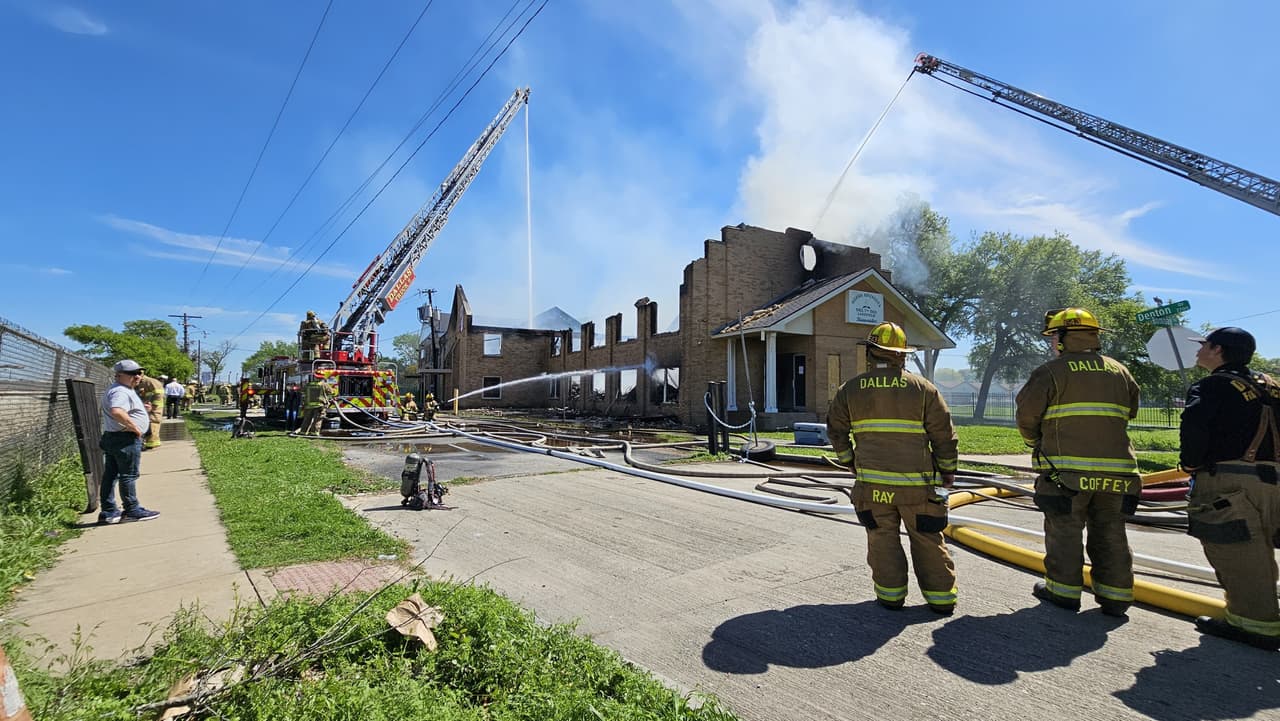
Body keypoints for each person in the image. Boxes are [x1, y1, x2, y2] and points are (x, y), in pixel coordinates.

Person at [827, 322, 960, 614]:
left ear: (871, 353)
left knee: (882, 538)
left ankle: (890, 596)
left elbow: (836, 432)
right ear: (902, 355)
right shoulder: (924, 389)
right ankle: (941, 599)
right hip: (919, 489)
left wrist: (849, 462)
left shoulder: (849, 390)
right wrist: (947, 471)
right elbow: (944, 435)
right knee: (927, 539)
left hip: (872, 489)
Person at [1016, 307, 1140, 617]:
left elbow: (1027, 415)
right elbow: (1131, 411)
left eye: (1052, 337)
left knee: (1065, 532)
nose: (1050, 343)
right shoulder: (1120, 371)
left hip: (1066, 474)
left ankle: (1064, 592)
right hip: (1118, 476)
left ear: (1061, 338)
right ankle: (1116, 598)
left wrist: (1035, 442)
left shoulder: (1052, 372)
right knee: (1111, 532)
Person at [1180, 326, 1280, 651]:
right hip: (1273, 481)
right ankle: (1252, 613)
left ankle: (1255, 624)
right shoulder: (1270, 387)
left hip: (1229, 481)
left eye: (1204, 345)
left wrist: (1190, 464)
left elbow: (1195, 428)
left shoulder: (1213, 386)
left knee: (1236, 549)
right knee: (1259, 548)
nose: (1198, 351)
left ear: (1218, 350)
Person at [98, 360, 159, 524]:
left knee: (110, 475)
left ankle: (108, 511)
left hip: (113, 437)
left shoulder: (120, 390)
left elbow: (121, 410)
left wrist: (142, 411)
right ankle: (131, 509)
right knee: (128, 475)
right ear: (119, 375)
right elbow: (117, 411)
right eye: (133, 373)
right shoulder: (120, 391)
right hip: (124, 439)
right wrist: (135, 428)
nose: (138, 376)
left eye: (140, 372)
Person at [135, 372, 166, 449]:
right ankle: (149, 441)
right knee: (148, 422)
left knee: (153, 422)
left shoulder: (150, 381)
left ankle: (152, 443)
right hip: (147, 405)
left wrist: (154, 406)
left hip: (155, 407)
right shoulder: (142, 382)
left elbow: (159, 394)